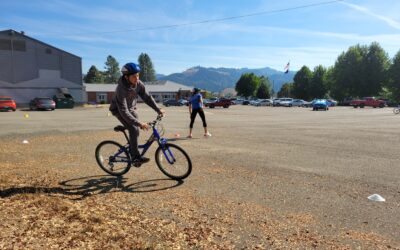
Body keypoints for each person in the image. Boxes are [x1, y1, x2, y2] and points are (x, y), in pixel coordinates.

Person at [109, 62, 164, 164]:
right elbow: (124, 111)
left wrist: (158, 109)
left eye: (138, 75)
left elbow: (147, 97)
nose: (137, 78)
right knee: (134, 128)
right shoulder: (121, 89)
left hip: (132, 108)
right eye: (134, 76)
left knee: (135, 129)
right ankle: (135, 157)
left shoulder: (138, 83)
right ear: (126, 77)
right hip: (118, 110)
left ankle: (131, 147)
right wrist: (139, 123)